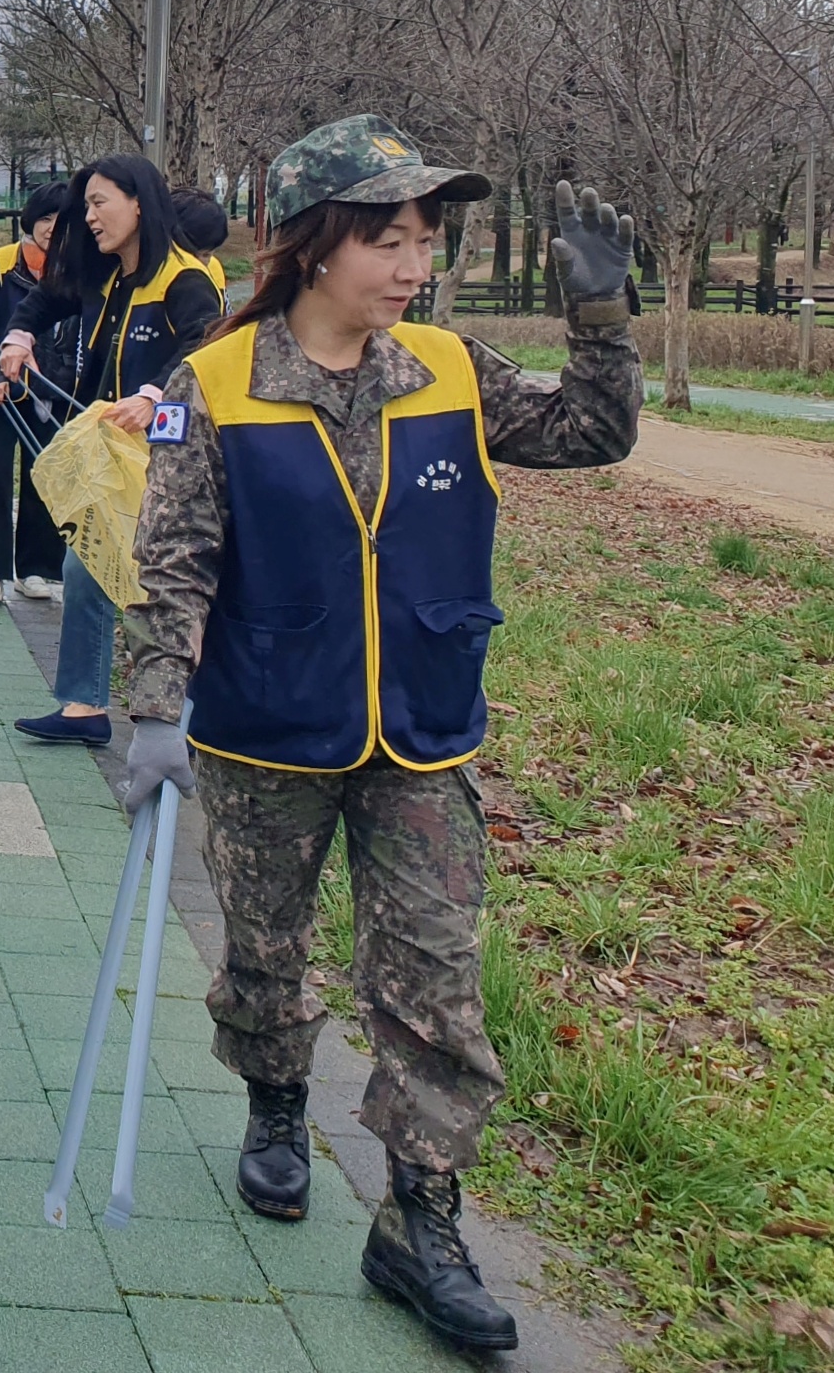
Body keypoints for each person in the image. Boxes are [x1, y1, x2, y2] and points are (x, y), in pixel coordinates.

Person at [120, 117, 640, 1354]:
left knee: (433, 984)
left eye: (427, 239)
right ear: (310, 247)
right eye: (387, 240)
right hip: (265, 731)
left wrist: (604, 321)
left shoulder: (450, 369)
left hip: (422, 728)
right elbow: (173, 564)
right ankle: (276, 1105)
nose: (414, 265)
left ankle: (419, 1218)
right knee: (267, 953)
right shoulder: (218, 382)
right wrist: (152, 708)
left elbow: (593, 434)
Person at [0, 157, 223, 746]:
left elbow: (208, 348)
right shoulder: (108, 273)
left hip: (167, 462)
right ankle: (86, 707)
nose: (90, 218)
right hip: (110, 454)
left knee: (153, 582)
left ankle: (185, 711)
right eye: (88, 206)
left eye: (100, 203)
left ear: (139, 203)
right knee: (90, 566)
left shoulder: (183, 279)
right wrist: (18, 338)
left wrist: (152, 395)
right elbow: (47, 298)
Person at [0, 182, 75, 605]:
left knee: (43, 478)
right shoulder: (0, 264)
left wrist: (60, 384)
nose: (52, 228)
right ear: (29, 221)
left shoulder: (77, 270)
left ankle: (36, 569)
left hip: (51, 393)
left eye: (61, 220)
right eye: (44, 219)